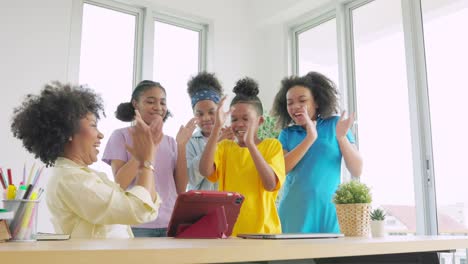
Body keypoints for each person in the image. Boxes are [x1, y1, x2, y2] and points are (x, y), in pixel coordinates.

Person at [10, 82, 161, 238]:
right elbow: (138, 211)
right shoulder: (72, 180)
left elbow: (147, 208)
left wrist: (145, 157)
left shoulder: (84, 176)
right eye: (93, 126)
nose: (101, 135)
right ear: (68, 132)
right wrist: (145, 163)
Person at [271, 72, 363, 234]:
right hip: (294, 210)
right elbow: (282, 169)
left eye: (302, 100)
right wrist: (310, 137)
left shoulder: (335, 125)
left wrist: (341, 138)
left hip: (329, 211)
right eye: (290, 103)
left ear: (317, 102)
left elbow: (357, 169)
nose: (295, 106)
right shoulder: (287, 134)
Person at [102, 80, 196, 237]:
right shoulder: (121, 136)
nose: (158, 107)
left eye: (162, 102)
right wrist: (145, 150)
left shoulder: (171, 142)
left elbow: (180, 189)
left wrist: (181, 146)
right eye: (150, 101)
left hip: (171, 223)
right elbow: (120, 184)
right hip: (137, 224)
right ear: (135, 104)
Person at [199, 77, 286, 235]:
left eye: (246, 119)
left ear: (260, 121)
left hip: (264, 234)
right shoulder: (225, 147)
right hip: (229, 233)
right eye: (234, 119)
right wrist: (217, 127)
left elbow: (270, 185)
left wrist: (251, 145)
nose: (239, 124)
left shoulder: (272, 146)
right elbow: (205, 170)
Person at [186, 72, 234, 191]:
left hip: (229, 204)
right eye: (200, 114)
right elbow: (191, 178)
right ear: (194, 114)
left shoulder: (233, 137)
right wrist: (215, 142)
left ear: (220, 110)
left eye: (211, 112)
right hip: (200, 206)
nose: (206, 118)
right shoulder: (190, 143)